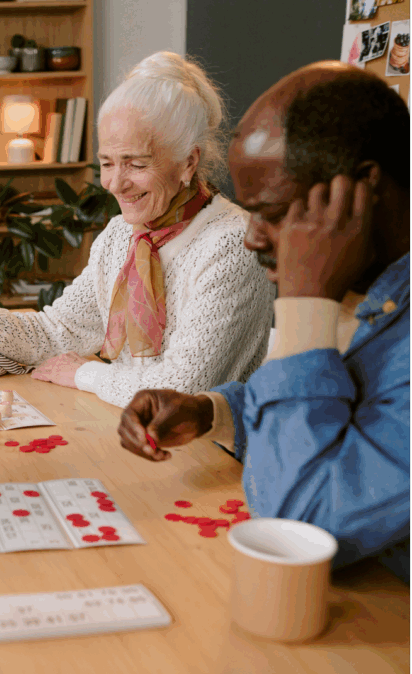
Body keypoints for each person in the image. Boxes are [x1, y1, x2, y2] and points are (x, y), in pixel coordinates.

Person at [117, 63, 410, 583]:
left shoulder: (326, 298)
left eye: (273, 212)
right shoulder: (373, 291)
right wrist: (216, 412)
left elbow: (296, 529)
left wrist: (305, 301)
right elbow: (346, 425)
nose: (252, 237)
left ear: (363, 190)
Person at [0, 52, 275, 407]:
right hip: (128, 432)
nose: (114, 184)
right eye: (107, 162)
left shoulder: (233, 243)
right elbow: (57, 333)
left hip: (209, 460)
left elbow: (182, 391)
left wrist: (86, 374)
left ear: (189, 163)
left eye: (136, 164)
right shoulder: (122, 234)